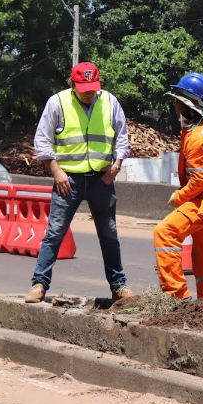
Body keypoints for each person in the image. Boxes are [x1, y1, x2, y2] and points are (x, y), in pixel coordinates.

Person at [26, 62, 135, 304]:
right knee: (55, 233)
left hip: (101, 179)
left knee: (109, 234)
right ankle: (39, 284)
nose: (89, 93)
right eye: (83, 88)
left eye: (93, 88)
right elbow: (42, 141)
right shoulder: (57, 103)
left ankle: (119, 286)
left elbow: (122, 138)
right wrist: (56, 171)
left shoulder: (109, 102)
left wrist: (116, 166)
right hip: (68, 180)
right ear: (71, 84)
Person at [153, 73, 203, 302]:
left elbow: (199, 181)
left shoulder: (197, 138)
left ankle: (177, 298)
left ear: (186, 104)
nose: (175, 106)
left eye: (177, 100)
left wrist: (178, 196)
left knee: (165, 233)